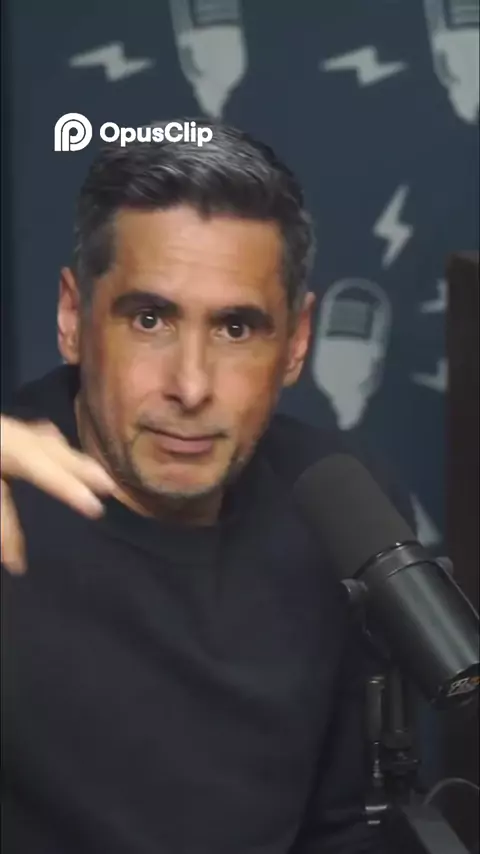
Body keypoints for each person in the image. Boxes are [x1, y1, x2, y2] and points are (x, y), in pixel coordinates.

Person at [1, 123, 410, 853]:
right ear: (72, 318)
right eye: (149, 319)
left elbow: (347, 825)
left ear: (297, 342)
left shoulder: (341, 505)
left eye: (235, 329)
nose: (190, 386)